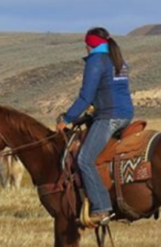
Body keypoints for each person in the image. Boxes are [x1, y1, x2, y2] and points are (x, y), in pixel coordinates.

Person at [56, 27, 134, 225]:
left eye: (86, 45)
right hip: (125, 114)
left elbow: (86, 96)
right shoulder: (117, 59)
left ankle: (102, 208)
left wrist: (67, 119)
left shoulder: (96, 62)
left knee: (84, 159)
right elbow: (110, 91)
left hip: (110, 117)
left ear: (89, 44)